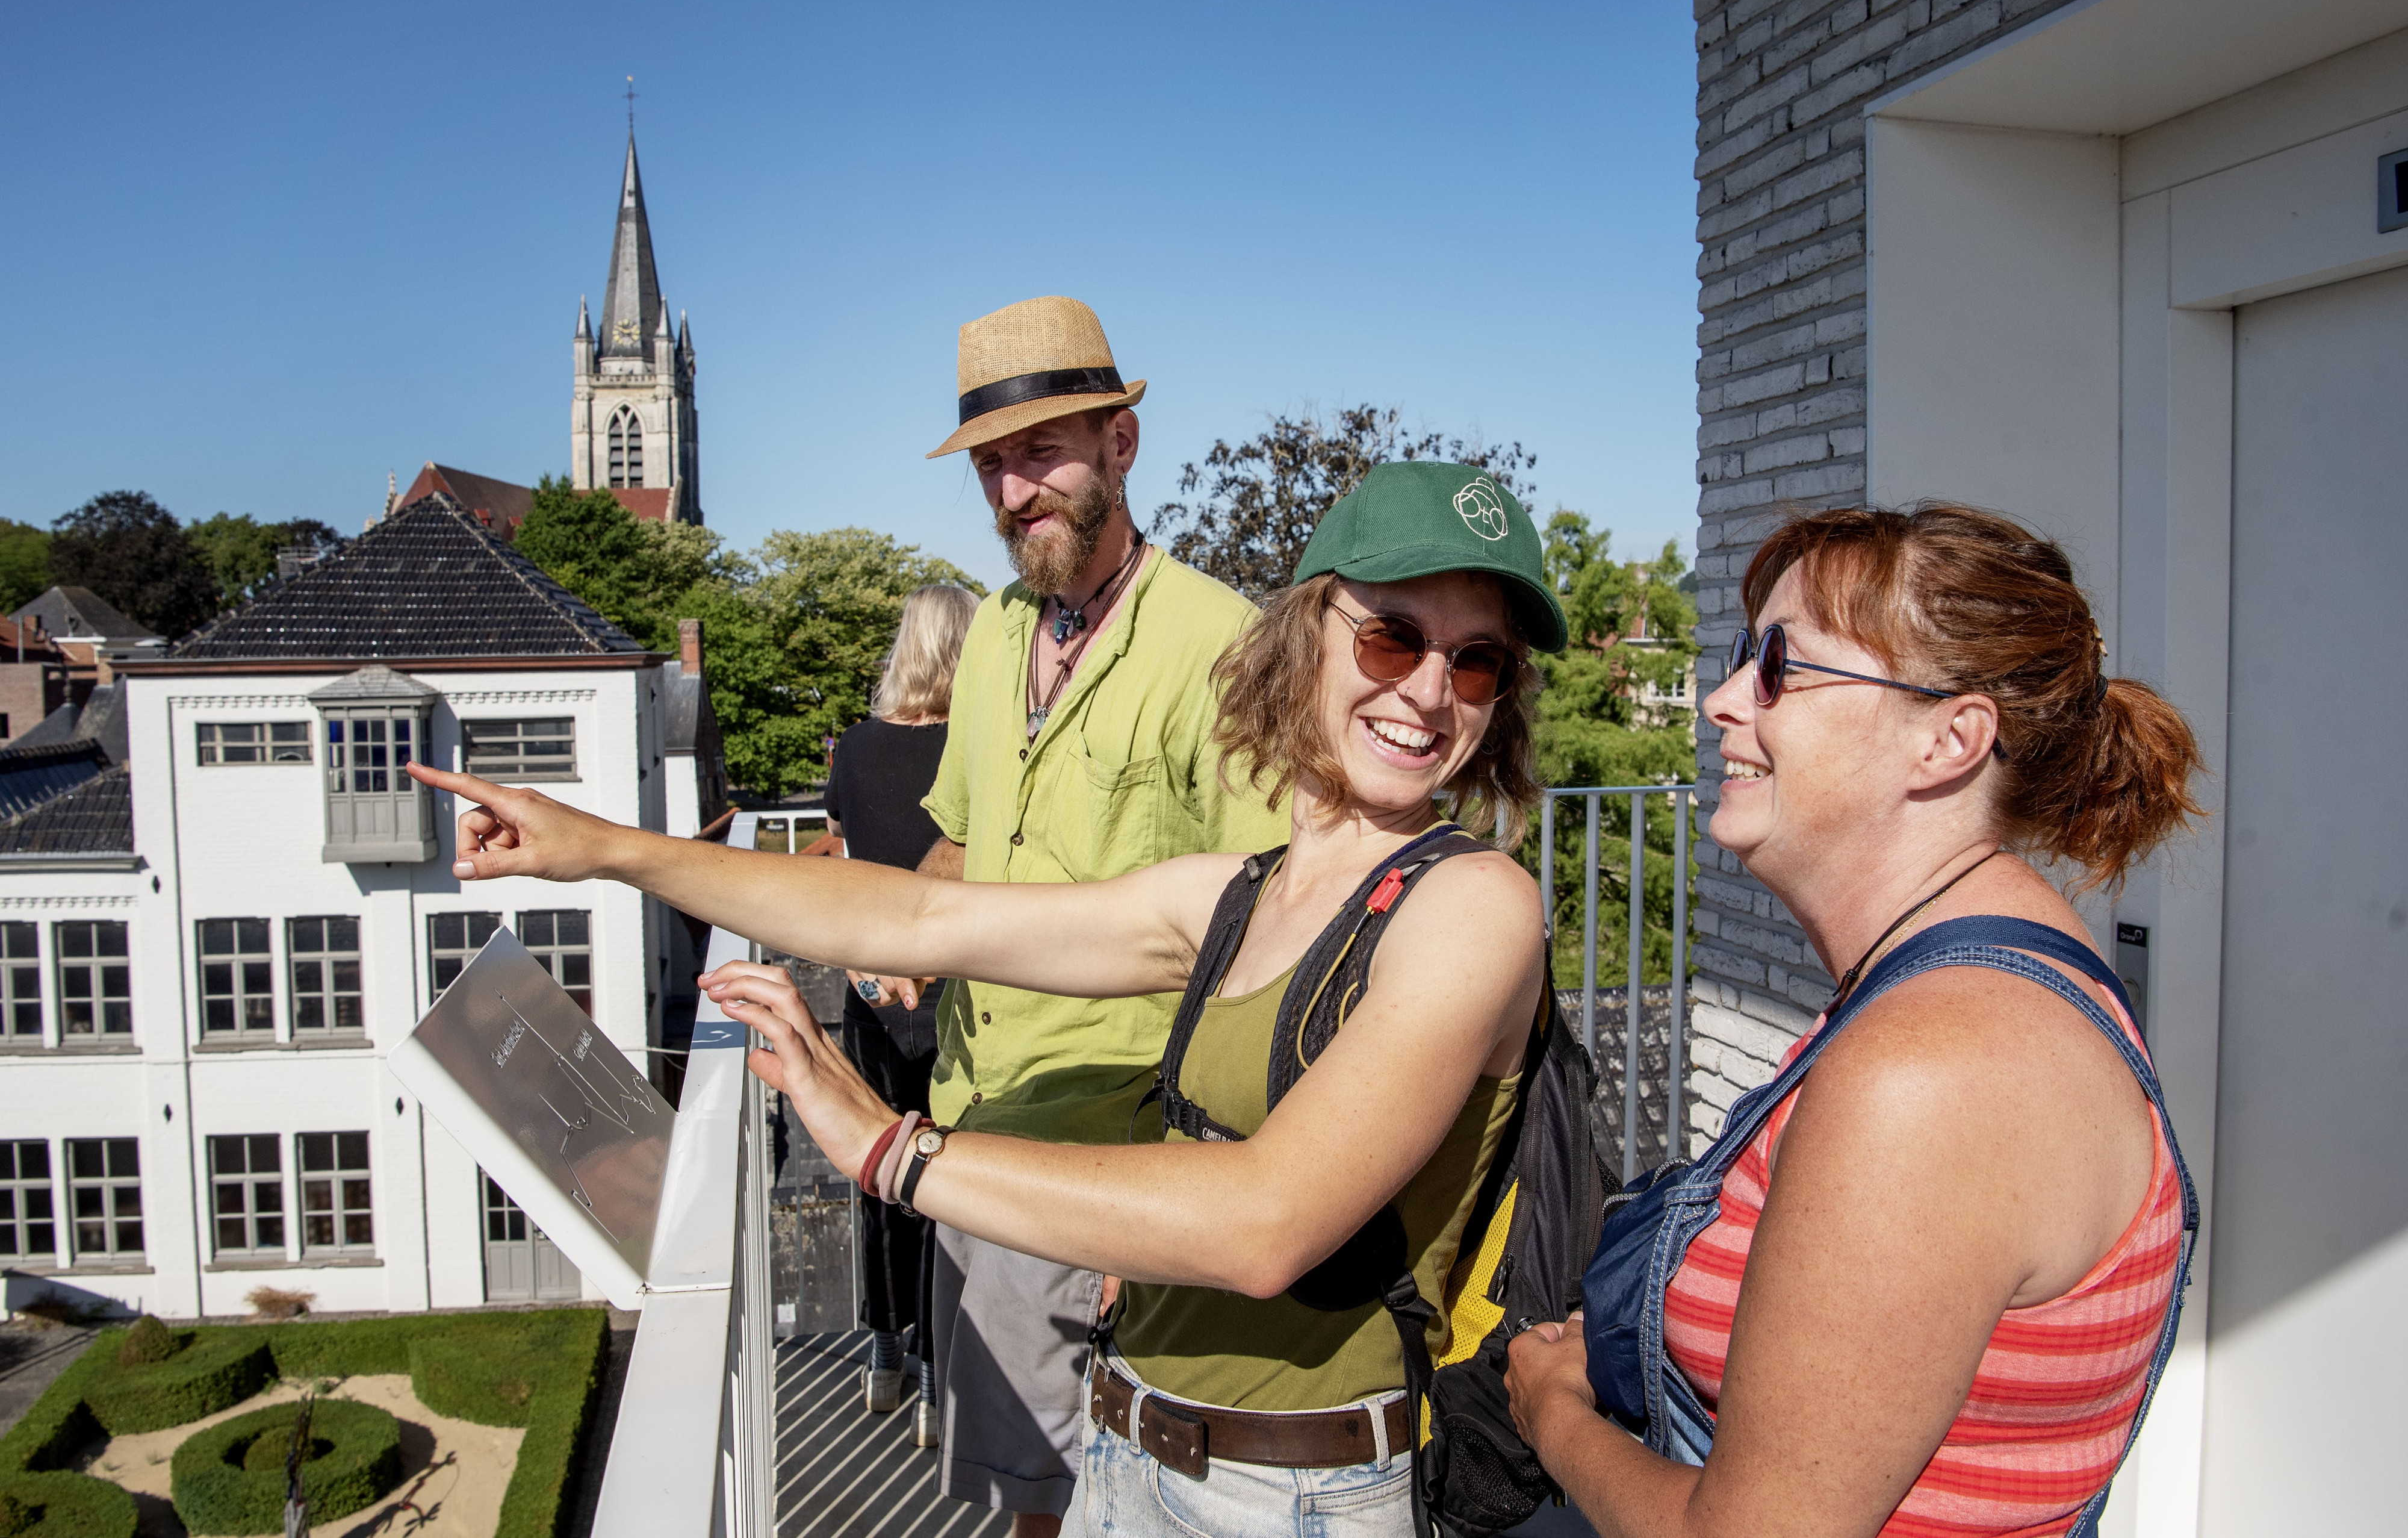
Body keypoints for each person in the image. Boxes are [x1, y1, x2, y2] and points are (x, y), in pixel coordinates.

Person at [411, 460, 1570, 1538]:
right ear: (1308, 633)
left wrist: (891, 1148)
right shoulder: (1241, 894)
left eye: (1478, 662)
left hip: (1301, 1492)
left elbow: (1265, 1221)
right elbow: (922, 920)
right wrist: (608, 848)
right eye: (1393, 638)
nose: (1430, 690)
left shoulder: (1472, 907)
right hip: (1131, 1447)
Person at [1503, 503, 2204, 1538]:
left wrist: (1552, 1408)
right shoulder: (1961, 989)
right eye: (1746, 654)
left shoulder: (1935, 1070)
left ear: (1949, 738)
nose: (1721, 700)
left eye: (1781, 664)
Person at [872, 294, 1288, 1533]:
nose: (1012, 494)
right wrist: (890, 941)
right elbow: (956, 835)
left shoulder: (1219, 646)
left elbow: (1268, 946)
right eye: (992, 466)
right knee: (1023, 1484)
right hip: (965, 1120)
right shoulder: (996, 630)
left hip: (1099, 1149)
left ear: (1120, 444)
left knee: (1059, 1499)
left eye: (1040, 453)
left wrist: (1161, 1205)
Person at [824, 582, 980, 1440]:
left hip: (871, 994)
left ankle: (884, 1346)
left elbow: (846, 851)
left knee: (877, 1171)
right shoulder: (978, 753)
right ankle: (934, 1369)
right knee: (944, 1173)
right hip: (957, 994)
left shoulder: (853, 749)